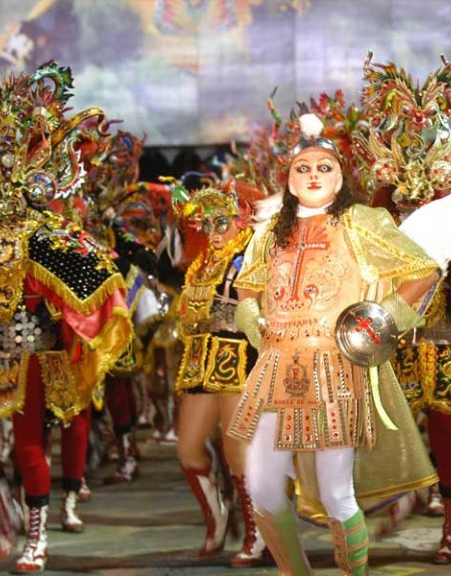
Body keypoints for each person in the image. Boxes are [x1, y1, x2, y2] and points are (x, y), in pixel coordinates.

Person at [0, 62, 133, 573]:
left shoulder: (47, 235)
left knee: (27, 447)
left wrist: (68, 317)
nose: (1, 180)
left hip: (33, 355)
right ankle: (7, 516)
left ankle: (37, 538)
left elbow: (98, 278)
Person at [228, 113, 441, 575]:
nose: (313, 175)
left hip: (335, 368)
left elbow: (423, 271)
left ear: (341, 177)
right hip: (276, 366)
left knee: (335, 493)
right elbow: (247, 284)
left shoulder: (360, 222)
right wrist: (254, 321)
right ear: (288, 179)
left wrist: (376, 325)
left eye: (324, 167)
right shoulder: (270, 232)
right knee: (261, 488)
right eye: (302, 167)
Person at [171, 176, 268, 567]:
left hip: (238, 358)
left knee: (237, 449)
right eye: (205, 224)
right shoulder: (202, 262)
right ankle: (217, 518)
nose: (212, 231)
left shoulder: (252, 255)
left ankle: (258, 533)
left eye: (221, 222)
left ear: (242, 217)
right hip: (201, 360)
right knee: (188, 447)